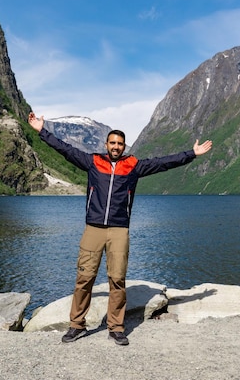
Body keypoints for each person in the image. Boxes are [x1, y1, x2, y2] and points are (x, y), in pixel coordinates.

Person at [28, 112, 213, 346]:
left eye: (120, 144)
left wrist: (191, 154)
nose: (116, 147)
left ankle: (116, 328)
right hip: (93, 229)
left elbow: (163, 162)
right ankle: (76, 325)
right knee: (84, 278)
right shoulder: (93, 161)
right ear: (106, 145)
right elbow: (65, 149)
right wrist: (42, 130)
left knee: (117, 280)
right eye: (112, 143)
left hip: (119, 231)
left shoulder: (133, 166)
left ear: (124, 146)